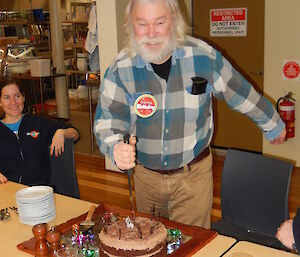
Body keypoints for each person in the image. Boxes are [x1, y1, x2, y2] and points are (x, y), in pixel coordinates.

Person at [94, 0, 286, 229]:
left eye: (160, 22)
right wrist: (115, 146)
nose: (152, 33)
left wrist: (272, 124)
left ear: (174, 20)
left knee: (191, 246)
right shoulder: (120, 68)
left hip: (192, 177)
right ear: (130, 25)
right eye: (142, 24)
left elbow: (239, 92)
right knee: (151, 242)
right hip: (146, 179)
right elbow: (107, 122)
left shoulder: (203, 57)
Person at [0, 78, 79, 186]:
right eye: (6, 98)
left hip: (39, 189)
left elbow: (75, 133)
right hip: (8, 189)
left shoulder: (37, 123)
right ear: (0, 102)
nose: (13, 102)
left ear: (23, 98)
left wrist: (62, 132)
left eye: (17, 96)